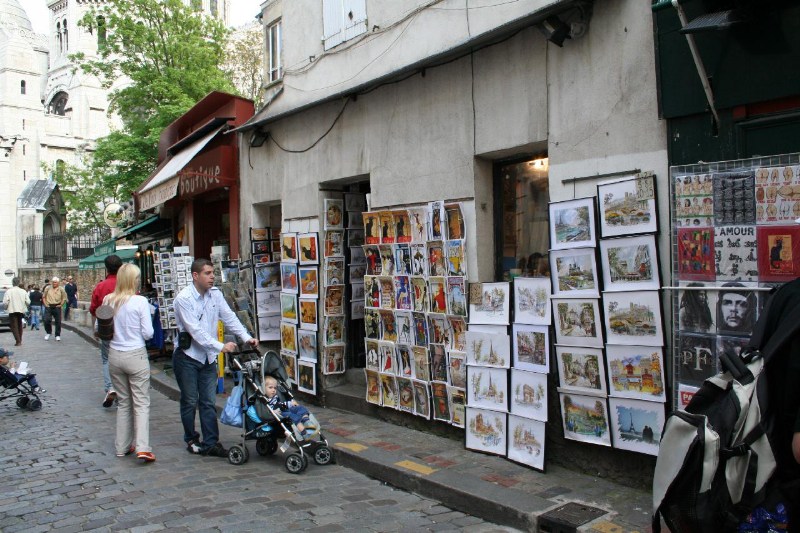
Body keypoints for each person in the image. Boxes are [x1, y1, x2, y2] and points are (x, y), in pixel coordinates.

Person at [173, 258, 258, 457]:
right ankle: (191, 439)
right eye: (207, 273)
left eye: (212, 273)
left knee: (208, 401)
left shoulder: (216, 295)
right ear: (195, 276)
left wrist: (246, 337)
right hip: (188, 356)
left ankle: (211, 442)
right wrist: (221, 346)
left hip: (208, 358)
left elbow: (229, 318)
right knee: (190, 400)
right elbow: (195, 331)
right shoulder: (184, 299)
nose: (212, 277)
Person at [103, 264, 155, 462]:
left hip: (115, 354)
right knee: (141, 402)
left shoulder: (109, 299)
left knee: (124, 402)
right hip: (135, 354)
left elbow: (101, 327)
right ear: (133, 280)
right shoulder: (140, 301)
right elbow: (148, 333)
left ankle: (122, 446)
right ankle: (143, 447)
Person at [90, 255, 123, 408]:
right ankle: (123, 388)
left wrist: (94, 328)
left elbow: (93, 309)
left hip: (107, 328)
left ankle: (110, 387)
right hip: (125, 328)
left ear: (106, 268)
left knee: (106, 359)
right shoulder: (126, 285)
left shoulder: (101, 286)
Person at [246, 376, 313, 437]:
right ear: (263, 388)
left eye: (275, 388)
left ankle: (306, 421)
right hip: (279, 413)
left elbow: (280, 404)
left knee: (300, 408)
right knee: (293, 416)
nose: (273, 390)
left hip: (283, 408)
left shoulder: (275, 396)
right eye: (270, 387)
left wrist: (291, 403)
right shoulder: (264, 400)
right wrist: (275, 410)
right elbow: (267, 411)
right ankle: (304, 432)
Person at [4, 278, 29, 346]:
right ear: (18, 283)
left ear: (12, 283)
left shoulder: (9, 291)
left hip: (12, 310)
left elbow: (5, 302)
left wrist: (6, 308)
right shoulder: (23, 291)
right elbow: (28, 301)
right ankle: (19, 339)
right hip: (21, 310)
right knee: (19, 325)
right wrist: (24, 306)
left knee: (14, 326)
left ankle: (18, 341)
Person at [42, 277, 68, 341]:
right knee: (46, 320)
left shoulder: (61, 289)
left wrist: (61, 304)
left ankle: (57, 335)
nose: (54, 283)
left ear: (58, 283)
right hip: (49, 306)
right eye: (53, 282)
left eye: (55, 282)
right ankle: (48, 332)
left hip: (57, 306)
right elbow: (44, 296)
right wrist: (45, 304)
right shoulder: (48, 288)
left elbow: (64, 298)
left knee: (58, 321)